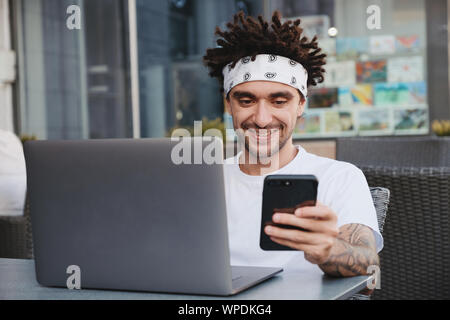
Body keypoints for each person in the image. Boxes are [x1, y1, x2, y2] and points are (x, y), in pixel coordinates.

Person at [203, 11, 382, 277]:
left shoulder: (339, 178)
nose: (262, 120)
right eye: (246, 101)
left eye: (279, 101)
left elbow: (369, 267)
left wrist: (328, 249)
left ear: (301, 104)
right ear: (228, 105)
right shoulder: (205, 180)